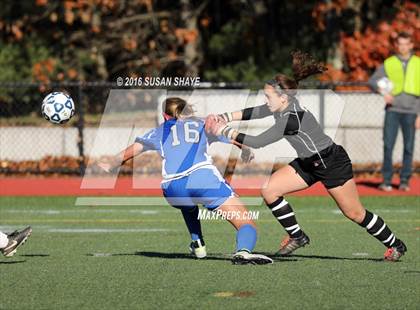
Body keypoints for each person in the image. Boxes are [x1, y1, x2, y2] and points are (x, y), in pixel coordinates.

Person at [206, 51, 407, 261]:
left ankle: (395, 244)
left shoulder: (291, 118)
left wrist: (223, 130)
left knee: (355, 213)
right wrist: (224, 117)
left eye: (268, 96)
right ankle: (297, 236)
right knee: (270, 190)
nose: (265, 100)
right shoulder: (280, 106)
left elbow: (258, 142)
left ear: (283, 97)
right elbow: (254, 112)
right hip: (308, 162)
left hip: (331, 163)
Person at [98, 97, 272, 265]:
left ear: (166, 116)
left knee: (188, 205)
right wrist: (245, 147)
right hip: (202, 178)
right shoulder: (202, 122)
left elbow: (129, 153)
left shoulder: (159, 130)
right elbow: (226, 134)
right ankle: (243, 252)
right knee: (246, 222)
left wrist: (108, 164)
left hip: (172, 188)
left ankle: (198, 244)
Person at [368, 32, 420, 192]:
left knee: (409, 147)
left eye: (406, 44)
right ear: (396, 46)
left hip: (412, 112)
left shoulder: (418, 64)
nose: (403, 47)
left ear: (411, 45)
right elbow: (372, 81)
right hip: (393, 111)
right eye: (400, 44)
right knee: (388, 145)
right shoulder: (389, 63)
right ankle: (387, 180)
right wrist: (383, 92)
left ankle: (404, 181)